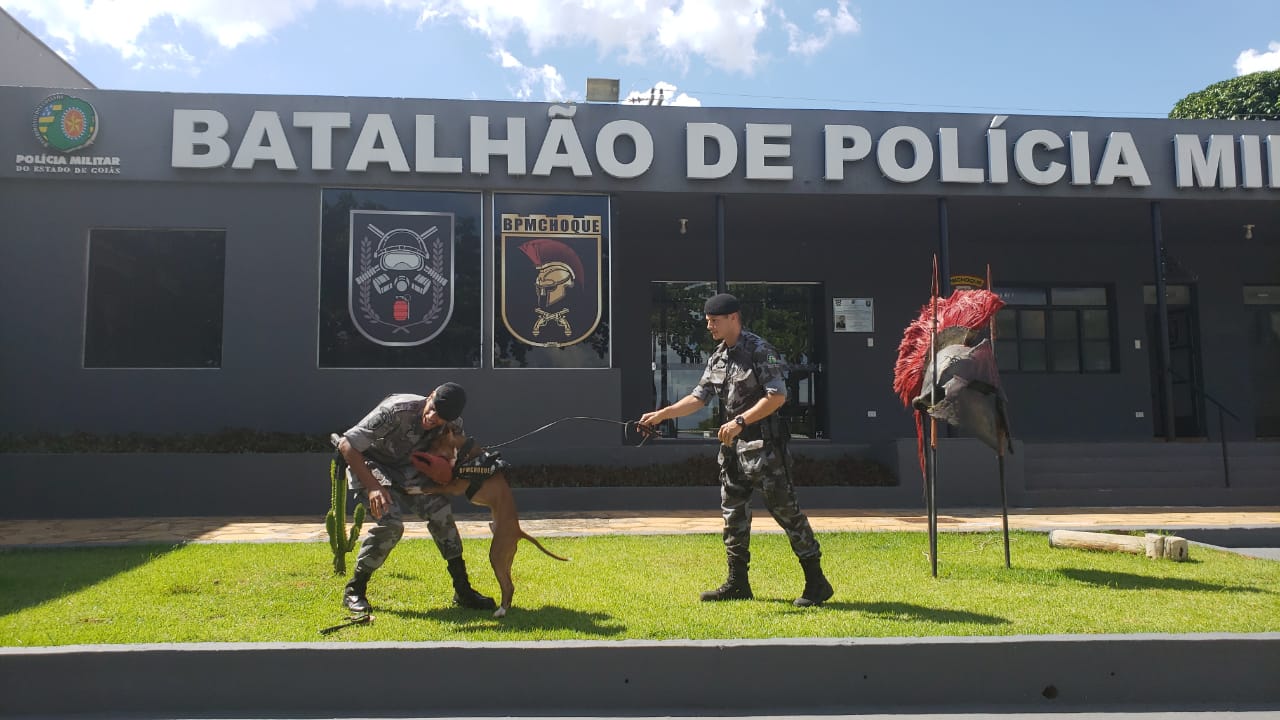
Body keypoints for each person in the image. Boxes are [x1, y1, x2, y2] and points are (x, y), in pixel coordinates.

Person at [639, 293, 834, 607]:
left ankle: (816, 582)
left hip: (765, 449)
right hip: (733, 451)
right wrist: (662, 415)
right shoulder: (718, 357)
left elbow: (777, 396)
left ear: (734, 318)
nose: (710, 327)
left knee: (787, 514)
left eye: (714, 321)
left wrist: (741, 421)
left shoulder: (759, 350)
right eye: (707, 321)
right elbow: (699, 397)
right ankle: (738, 583)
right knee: (733, 517)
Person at [336, 382, 496, 614]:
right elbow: (347, 445)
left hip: (408, 470)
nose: (432, 417)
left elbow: (454, 457)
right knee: (391, 525)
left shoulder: (452, 425)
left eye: (440, 417)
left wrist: (460, 470)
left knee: (441, 512)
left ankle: (463, 590)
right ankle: (354, 591)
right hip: (371, 466)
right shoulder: (396, 410)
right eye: (432, 408)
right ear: (430, 395)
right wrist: (372, 487)